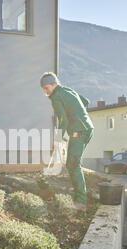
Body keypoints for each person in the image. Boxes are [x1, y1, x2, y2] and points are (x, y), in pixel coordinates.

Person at [40, 72, 94, 212]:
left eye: (46, 88)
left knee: (73, 164)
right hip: (88, 128)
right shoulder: (68, 90)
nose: (45, 92)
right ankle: (79, 191)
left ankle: (81, 201)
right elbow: (85, 101)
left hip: (79, 132)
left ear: (53, 85)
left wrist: (57, 140)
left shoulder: (56, 97)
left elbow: (62, 120)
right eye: (44, 89)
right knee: (74, 163)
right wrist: (79, 116)